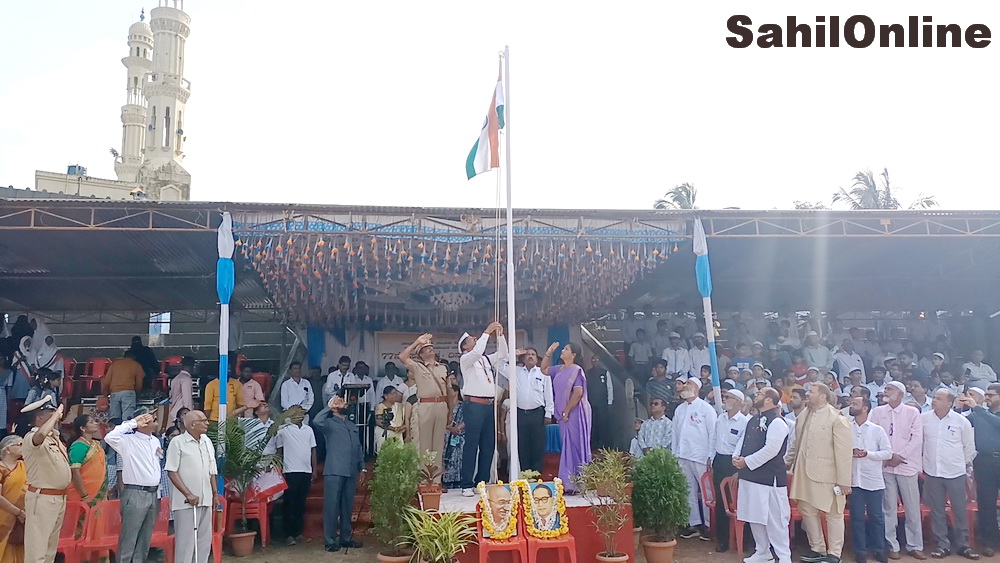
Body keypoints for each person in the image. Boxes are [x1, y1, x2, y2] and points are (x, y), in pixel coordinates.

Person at [785, 383, 852, 563]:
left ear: (823, 396)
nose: (807, 394)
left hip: (828, 474)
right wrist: (786, 463)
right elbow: (795, 444)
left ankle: (834, 554)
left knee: (833, 513)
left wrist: (844, 481)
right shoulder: (804, 415)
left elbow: (844, 453)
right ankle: (818, 549)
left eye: (811, 392)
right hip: (802, 472)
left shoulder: (836, 418)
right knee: (807, 510)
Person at [732, 387, 791, 563]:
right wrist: (736, 457)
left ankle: (783, 556)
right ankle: (762, 551)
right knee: (754, 515)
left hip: (769, 478)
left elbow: (771, 450)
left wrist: (747, 461)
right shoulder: (752, 419)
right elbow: (743, 441)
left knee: (775, 519)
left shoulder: (778, 422)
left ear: (769, 400)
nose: (755, 395)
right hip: (750, 476)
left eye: (759, 393)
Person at [869, 380, 925, 560]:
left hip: (906, 466)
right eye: (885, 389)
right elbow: (873, 436)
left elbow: (916, 439)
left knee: (912, 508)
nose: (886, 391)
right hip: (885, 467)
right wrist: (887, 456)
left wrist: (899, 456)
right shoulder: (877, 412)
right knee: (888, 508)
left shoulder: (912, 412)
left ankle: (915, 545)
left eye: (890, 389)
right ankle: (892, 545)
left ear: (900, 394)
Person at [922, 389, 978, 560]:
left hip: (955, 472)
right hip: (932, 471)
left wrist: (962, 463)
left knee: (959, 509)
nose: (934, 401)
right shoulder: (923, 419)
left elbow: (969, 447)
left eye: (939, 399)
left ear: (949, 403)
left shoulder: (961, 421)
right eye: (934, 397)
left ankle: (963, 545)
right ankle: (942, 544)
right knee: (937, 510)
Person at [104, 411, 163, 563]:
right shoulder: (127, 440)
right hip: (136, 492)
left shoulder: (155, 441)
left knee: (145, 538)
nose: (156, 422)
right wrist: (133, 423)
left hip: (153, 493)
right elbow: (109, 437)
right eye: (152, 419)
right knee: (129, 537)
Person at [458, 323, 507, 496]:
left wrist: (500, 336)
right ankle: (466, 484)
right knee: (472, 445)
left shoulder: (484, 359)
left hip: (488, 406)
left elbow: (503, 354)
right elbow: (477, 351)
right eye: (471, 339)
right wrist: (487, 331)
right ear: (465, 346)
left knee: (488, 445)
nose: (475, 338)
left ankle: (482, 482)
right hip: (474, 406)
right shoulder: (466, 359)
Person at [20, 400, 71, 563]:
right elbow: (39, 436)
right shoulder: (30, 437)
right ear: (40, 417)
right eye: (51, 413)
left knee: (50, 550)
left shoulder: (53, 438)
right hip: (42, 499)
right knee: (37, 550)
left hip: (58, 498)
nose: (57, 416)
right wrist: (56, 416)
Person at [397, 334, 450, 485]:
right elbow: (402, 357)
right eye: (427, 349)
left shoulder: (443, 368)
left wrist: (450, 412)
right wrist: (416, 342)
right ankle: (424, 480)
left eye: (431, 347)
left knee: (438, 445)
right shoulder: (417, 367)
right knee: (425, 445)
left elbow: (448, 391)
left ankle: (436, 481)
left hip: (441, 406)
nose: (431, 350)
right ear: (421, 354)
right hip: (425, 406)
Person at [540, 341, 592, 495]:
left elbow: (578, 392)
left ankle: (579, 482)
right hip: (564, 414)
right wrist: (549, 352)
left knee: (575, 446)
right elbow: (543, 369)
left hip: (575, 413)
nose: (563, 350)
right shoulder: (559, 369)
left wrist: (567, 410)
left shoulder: (576, 370)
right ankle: (569, 483)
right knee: (567, 446)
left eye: (566, 349)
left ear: (573, 355)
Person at [166, 410, 217, 563]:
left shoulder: (206, 440)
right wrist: (188, 494)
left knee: (204, 542)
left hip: (206, 498)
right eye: (204, 420)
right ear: (193, 424)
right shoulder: (178, 442)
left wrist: (215, 493)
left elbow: (212, 468)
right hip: (186, 502)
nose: (207, 423)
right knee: (186, 543)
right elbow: (172, 471)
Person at [315, 395, 364, 553]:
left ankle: (345, 538)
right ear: (336, 407)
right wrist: (329, 406)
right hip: (335, 469)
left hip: (350, 469)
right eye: (342, 402)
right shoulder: (328, 423)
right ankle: (330, 540)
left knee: (347, 506)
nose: (346, 404)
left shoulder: (351, 424)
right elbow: (316, 421)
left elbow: (357, 446)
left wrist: (361, 466)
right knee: (331, 506)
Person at [956, 385, 1000, 557]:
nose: (987, 397)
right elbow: (960, 424)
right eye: (986, 394)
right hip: (984, 460)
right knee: (986, 503)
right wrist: (958, 408)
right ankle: (989, 542)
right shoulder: (978, 414)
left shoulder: (981, 412)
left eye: (991, 395)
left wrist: (977, 407)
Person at [848, 396, 893, 563]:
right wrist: (850, 452)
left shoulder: (876, 430)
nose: (851, 406)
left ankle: (879, 549)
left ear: (865, 408)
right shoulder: (846, 428)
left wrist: (868, 454)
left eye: (855, 404)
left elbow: (888, 453)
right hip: (854, 479)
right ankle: (860, 551)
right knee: (857, 517)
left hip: (873, 479)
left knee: (876, 517)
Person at [672, 376, 716, 540]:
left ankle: (709, 525)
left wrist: (711, 455)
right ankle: (694, 524)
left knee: (707, 492)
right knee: (688, 491)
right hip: (683, 455)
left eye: (688, 384)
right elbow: (675, 434)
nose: (684, 386)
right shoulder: (680, 409)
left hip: (701, 456)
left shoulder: (706, 408)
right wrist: (675, 454)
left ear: (696, 388)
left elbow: (713, 433)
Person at [501, 348, 553, 475]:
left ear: (537, 358)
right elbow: (499, 365)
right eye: (528, 354)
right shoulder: (515, 371)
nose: (530, 356)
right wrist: (513, 354)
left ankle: (536, 477)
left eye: (533, 354)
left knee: (537, 447)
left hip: (538, 414)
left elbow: (549, 394)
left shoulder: (543, 373)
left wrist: (548, 413)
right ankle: (525, 476)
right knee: (522, 447)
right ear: (523, 358)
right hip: (520, 414)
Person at [710, 389, 748, 553]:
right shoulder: (720, 419)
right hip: (719, 461)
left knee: (738, 502)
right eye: (724, 397)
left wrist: (739, 470)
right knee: (720, 501)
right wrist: (711, 459)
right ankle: (723, 540)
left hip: (734, 463)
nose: (724, 399)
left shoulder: (745, 422)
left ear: (738, 401)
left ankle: (744, 540)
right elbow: (714, 439)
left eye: (728, 397)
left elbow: (746, 447)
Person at [274, 405, 318, 546]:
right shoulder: (284, 430)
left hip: (305, 471)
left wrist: (314, 469)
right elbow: (279, 450)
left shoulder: (308, 429)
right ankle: (288, 535)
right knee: (289, 504)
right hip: (290, 470)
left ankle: (298, 533)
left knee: (300, 504)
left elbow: (313, 450)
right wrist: (279, 469)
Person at [67, 415, 106, 505]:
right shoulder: (78, 446)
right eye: (91, 422)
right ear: (83, 428)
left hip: (99, 492)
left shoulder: (96, 444)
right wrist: (84, 496)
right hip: (83, 495)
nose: (96, 423)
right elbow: (75, 472)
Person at [0, 435, 27, 563]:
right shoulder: (1, 469)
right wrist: (17, 512)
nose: (23, 447)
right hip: (5, 517)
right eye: (19, 444)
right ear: (8, 449)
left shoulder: (24, 466)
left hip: (24, 517)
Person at [102, 352, 144, 420]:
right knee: (127, 418)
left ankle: (115, 430)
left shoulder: (115, 364)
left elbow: (107, 381)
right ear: (134, 358)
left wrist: (105, 395)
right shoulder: (136, 365)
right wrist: (137, 393)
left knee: (114, 418)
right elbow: (139, 383)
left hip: (114, 393)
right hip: (128, 392)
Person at [586, 355, 614, 450]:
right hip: (591, 403)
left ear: (600, 361)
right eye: (593, 359)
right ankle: (593, 446)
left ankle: (606, 447)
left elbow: (609, 388)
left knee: (603, 424)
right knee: (593, 424)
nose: (595, 361)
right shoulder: (588, 373)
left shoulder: (605, 373)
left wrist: (610, 402)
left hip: (603, 404)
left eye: (597, 359)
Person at [442, 374, 465, 490]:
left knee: (457, 458)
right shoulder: (444, 406)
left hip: (459, 437)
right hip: (446, 436)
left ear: (456, 393)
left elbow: (467, 420)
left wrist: (458, 428)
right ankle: (446, 481)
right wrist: (450, 428)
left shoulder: (463, 406)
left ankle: (458, 480)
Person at [373, 387, 405, 454]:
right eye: (393, 393)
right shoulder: (380, 407)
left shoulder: (399, 406)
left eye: (396, 393)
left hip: (397, 433)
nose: (395, 395)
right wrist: (393, 428)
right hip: (384, 432)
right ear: (385, 396)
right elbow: (379, 422)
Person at [169, 357, 195, 423]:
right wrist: (190, 415)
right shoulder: (186, 379)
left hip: (174, 413)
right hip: (182, 415)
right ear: (192, 366)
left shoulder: (176, 378)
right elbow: (187, 400)